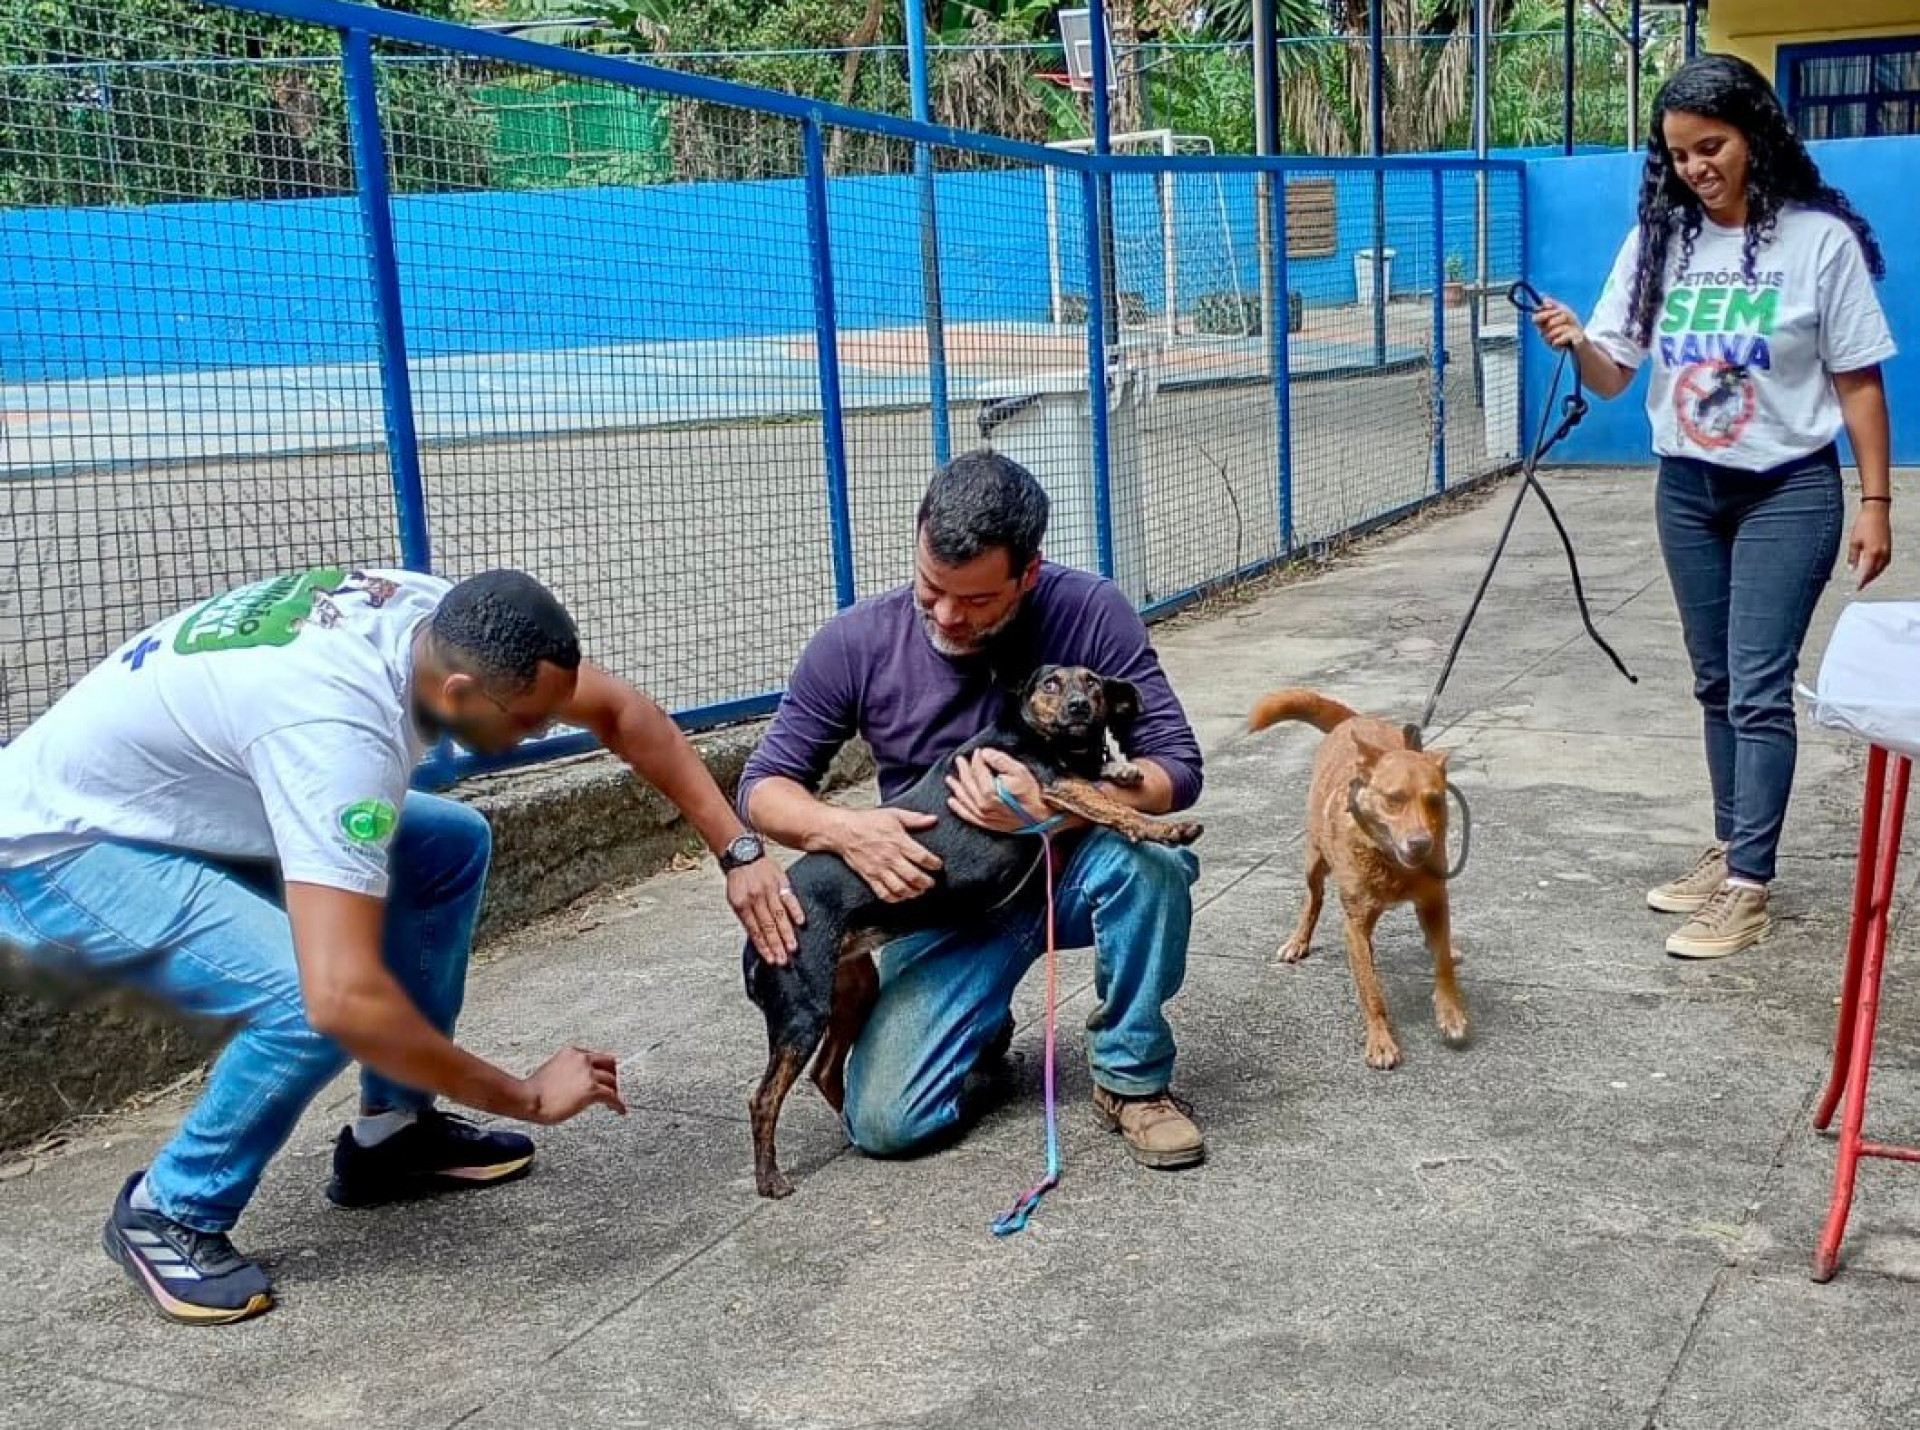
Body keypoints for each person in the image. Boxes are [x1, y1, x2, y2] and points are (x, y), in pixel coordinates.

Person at [0, 567, 797, 1324]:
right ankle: (169, 1209)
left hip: (187, 801)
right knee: (305, 1000)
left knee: (449, 843)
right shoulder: (339, 737)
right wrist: (525, 1095)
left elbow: (622, 715)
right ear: (459, 692)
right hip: (60, 849)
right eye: (524, 724)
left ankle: (392, 1137)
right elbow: (343, 1000)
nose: (534, 738)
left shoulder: (446, 623)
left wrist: (740, 854)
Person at [737, 450, 1208, 1169]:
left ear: (1029, 574)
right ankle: (976, 1033)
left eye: (979, 600)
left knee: (1155, 863)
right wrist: (846, 830)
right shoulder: (856, 642)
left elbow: (1176, 766)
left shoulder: (1089, 611)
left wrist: (1053, 813)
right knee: (886, 1125)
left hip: (1070, 879)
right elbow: (764, 786)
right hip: (941, 904)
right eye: (932, 588)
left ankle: (1132, 1078)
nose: (949, 615)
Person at [1531, 53, 1896, 961]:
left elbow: (1858, 384)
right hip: (1686, 490)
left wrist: (1877, 501)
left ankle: (1749, 888)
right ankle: (1734, 844)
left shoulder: (1818, 243)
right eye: (1680, 154)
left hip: (1789, 488)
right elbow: (1614, 378)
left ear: (1754, 136)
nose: (1697, 167)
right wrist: (1578, 341)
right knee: (1716, 682)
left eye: (1712, 145)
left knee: (1760, 685)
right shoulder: (1660, 242)